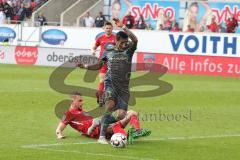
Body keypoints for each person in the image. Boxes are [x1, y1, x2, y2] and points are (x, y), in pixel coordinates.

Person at [78, 18, 138, 144]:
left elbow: (136, 40)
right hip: (110, 84)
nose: (124, 45)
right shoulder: (108, 50)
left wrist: (123, 27)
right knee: (109, 106)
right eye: (122, 42)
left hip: (124, 88)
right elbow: (99, 65)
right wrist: (86, 67)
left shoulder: (129, 51)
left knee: (121, 114)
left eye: (126, 42)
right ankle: (101, 137)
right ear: (116, 41)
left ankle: (98, 121)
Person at [55, 92, 151, 143]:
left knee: (131, 112)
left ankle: (136, 131)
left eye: (82, 100)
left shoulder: (82, 111)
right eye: (80, 101)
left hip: (102, 125)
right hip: (97, 130)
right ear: (72, 102)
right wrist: (59, 135)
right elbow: (59, 129)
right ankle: (125, 136)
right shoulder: (69, 114)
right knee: (112, 125)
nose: (82, 102)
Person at [91, 21, 116, 106]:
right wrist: (93, 51)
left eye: (110, 28)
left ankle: (109, 98)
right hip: (103, 62)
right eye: (107, 28)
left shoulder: (115, 38)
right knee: (102, 80)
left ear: (112, 29)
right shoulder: (100, 38)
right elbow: (94, 47)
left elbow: (120, 48)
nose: (108, 29)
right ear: (104, 29)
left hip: (113, 62)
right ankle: (100, 97)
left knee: (112, 81)